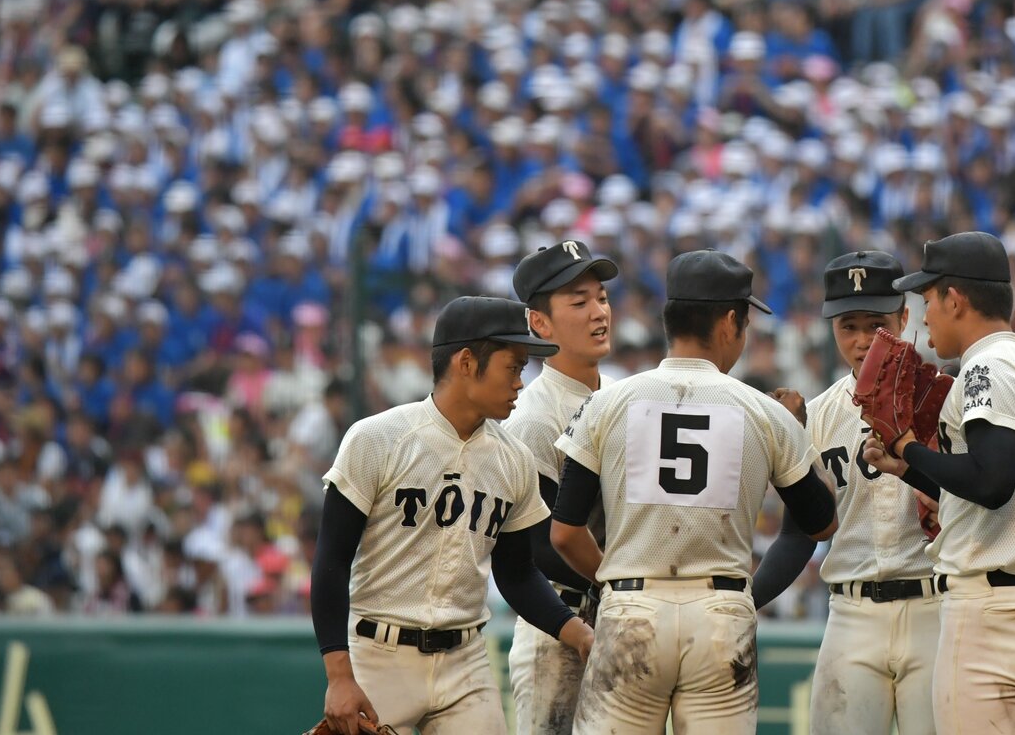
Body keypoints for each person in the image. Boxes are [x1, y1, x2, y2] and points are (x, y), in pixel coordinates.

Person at [549, 249, 839, 735]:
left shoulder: (606, 402)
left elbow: (563, 533)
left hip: (631, 608)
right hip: (719, 613)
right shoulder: (763, 411)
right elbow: (822, 522)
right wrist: (796, 435)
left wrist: (614, 578)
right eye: (744, 323)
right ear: (729, 322)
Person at [310, 296, 595, 735]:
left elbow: (517, 574)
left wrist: (578, 635)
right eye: (513, 366)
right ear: (466, 362)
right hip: (380, 654)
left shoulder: (513, 458)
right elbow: (331, 562)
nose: (521, 382)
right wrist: (339, 676)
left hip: (466, 663)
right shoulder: (377, 438)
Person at [863, 232, 1015, 735]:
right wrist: (909, 469)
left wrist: (908, 445)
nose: (926, 314)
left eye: (928, 298)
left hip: (992, 617)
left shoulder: (987, 366)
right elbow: (998, 492)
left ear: (954, 299)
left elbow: (992, 482)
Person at [752, 250, 939, 735]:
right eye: (847, 326)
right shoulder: (817, 416)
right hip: (852, 612)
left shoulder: (946, 399)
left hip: (935, 607)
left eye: (876, 323)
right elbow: (800, 535)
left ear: (903, 316)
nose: (862, 341)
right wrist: (744, 601)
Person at [506, 240, 620, 735]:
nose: (599, 312)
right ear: (540, 323)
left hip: (621, 613)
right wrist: (621, 582)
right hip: (558, 625)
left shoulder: (621, 393)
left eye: (602, 298)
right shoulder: (532, 416)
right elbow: (536, 547)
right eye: (580, 302)